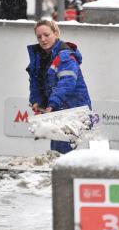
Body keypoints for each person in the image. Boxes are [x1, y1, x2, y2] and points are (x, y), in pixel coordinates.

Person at [26, 20, 92, 154]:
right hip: (58, 113)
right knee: (57, 152)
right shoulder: (41, 58)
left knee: (68, 155)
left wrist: (53, 103)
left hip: (74, 112)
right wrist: (36, 101)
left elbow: (67, 84)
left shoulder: (65, 56)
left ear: (56, 33)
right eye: (39, 37)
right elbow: (36, 83)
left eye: (46, 35)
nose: (43, 39)